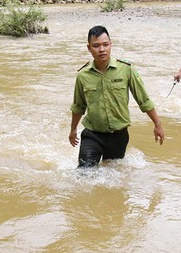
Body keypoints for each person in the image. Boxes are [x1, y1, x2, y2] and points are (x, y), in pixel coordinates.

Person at [69, 25, 164, 168]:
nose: (102, 49)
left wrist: (158, 124)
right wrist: (73, 130)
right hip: (92, 135)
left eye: (105, 45)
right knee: (84, 174)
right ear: (89, 48)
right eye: (96, 46)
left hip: (118, 136)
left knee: (112, 175)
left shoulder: (126, 69)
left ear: (110, 44)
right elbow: (79, 106)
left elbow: (143, 100)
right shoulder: (83, 75)